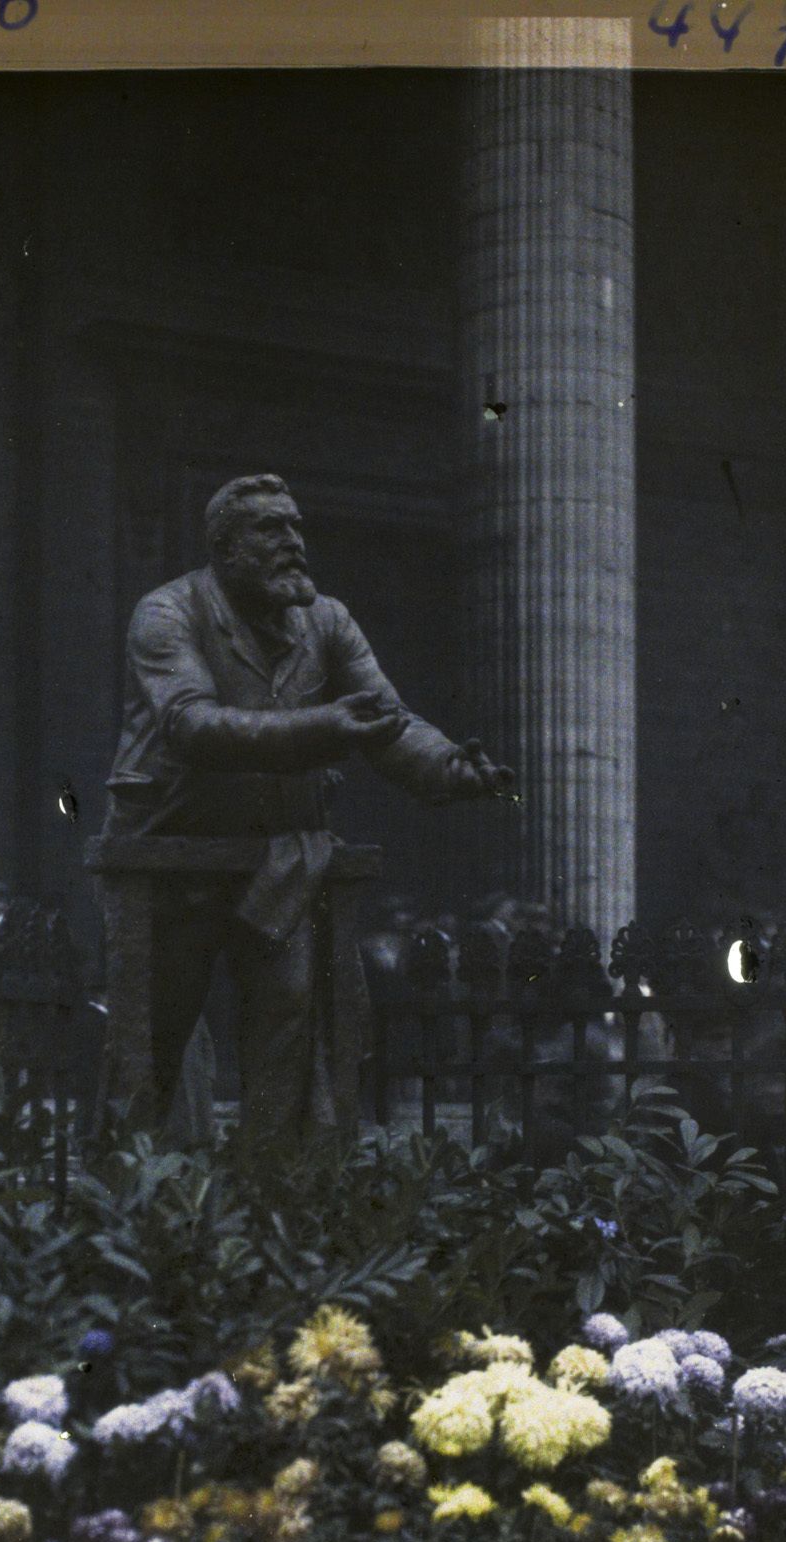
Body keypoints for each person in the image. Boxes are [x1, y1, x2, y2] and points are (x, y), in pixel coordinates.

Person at [99, 472, 514, 1145]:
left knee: (288, 1018)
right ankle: (130, 1190)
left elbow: (387, 718)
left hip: (278, 855)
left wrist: (449, 767)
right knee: (155, 1032)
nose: (292, 541)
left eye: (294, 526)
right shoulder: (168, 613)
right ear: (225, 548)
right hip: (169, 852)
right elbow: (190, 724)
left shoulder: (327, 620)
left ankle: (277, 1199)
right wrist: (324, 727)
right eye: (270, 528)